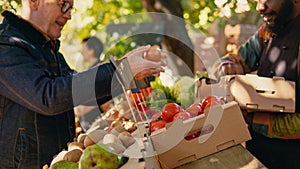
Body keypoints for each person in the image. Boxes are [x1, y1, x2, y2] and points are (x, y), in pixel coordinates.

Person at [0, 0, 166, 168]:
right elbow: (48, 96)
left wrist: (130, 73)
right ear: (34, 2)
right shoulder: (6, 46)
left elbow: (77, 92)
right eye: (63, 4)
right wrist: (120, 71)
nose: (69, 14)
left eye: (71, 7)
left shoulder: (49, 51)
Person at [213, 0, 300, 168]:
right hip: (259, 153)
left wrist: (254, 119)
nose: (260, 7)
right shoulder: (267, 32)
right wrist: (226, 66)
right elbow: (232, 59)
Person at [76, 36, 112, 132]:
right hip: (93, 125)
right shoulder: (93, 71)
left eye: (83, 49)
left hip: (98, 125)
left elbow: (103, 98)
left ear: (91, 50)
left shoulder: (98, 71)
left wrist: (80, 110)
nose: (81, 52)